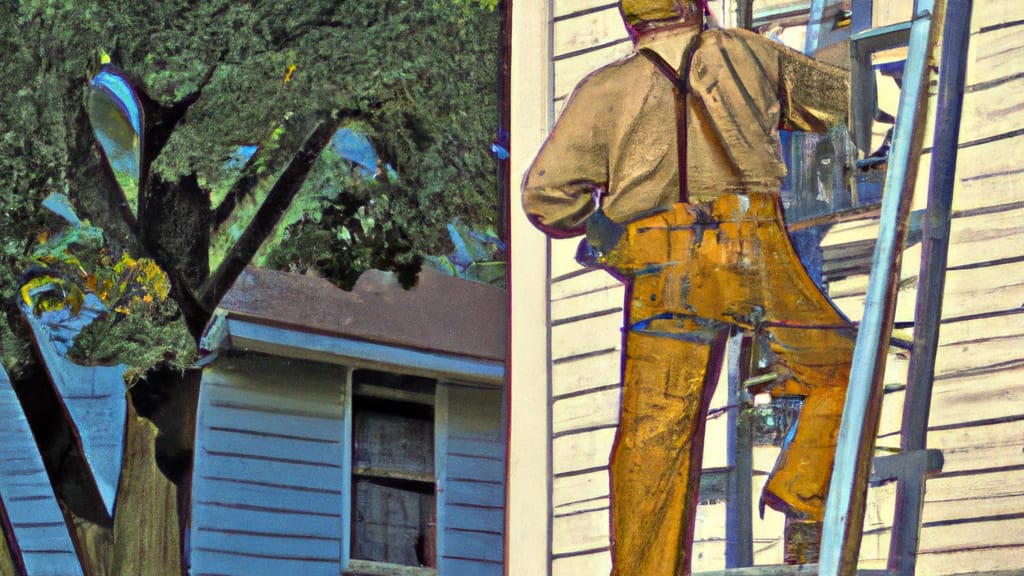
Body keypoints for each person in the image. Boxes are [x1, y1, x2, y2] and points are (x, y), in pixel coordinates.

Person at [522, 1, 856, 573]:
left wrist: (608, 234)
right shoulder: (745, 52)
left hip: (658, 261)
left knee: (652, 442)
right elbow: (839, 100)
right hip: (748, 242)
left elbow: (545, 197)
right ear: (694, 5)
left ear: (633, 20)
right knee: (845, 368)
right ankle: (802, 492)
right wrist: (843, 30)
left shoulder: (604, 88)